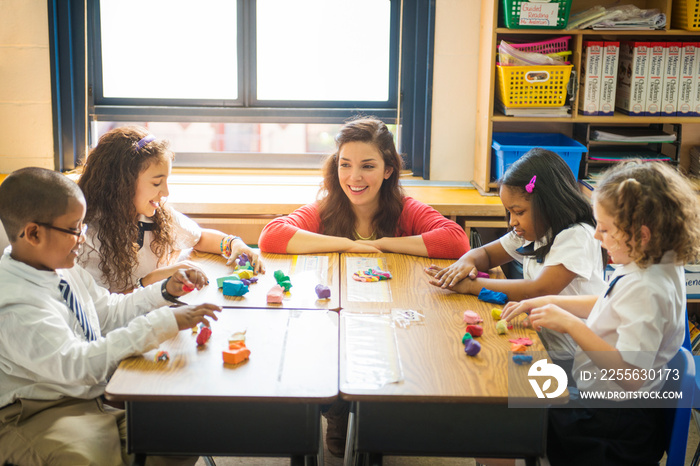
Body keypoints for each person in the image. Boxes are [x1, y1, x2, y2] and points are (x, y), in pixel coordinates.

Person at [0, 167, 222, 465]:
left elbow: (107, 312)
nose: (83, 238)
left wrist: (164, 292)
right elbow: (78, 365)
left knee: (182, 432)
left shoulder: (63, 268)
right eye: (74, 229)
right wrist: (163, 323)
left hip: (90, 395)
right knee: (93, 460)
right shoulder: (15, 305)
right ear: (33, 233)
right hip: (37, 411)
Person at [496, 160, 700, 465]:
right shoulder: (652, 265)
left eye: (604, 229)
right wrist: (547, 303)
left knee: (508, 412)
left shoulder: (650, 288)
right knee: (514, 390)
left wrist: (570, 325)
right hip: (605, 407)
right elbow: (609, 303)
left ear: (641, 235)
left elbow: (631, 376)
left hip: (614, 427)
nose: (596, 237)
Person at [427, 148, 606, 374]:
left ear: (548, 203)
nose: (512, 221)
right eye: (509, 212)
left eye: (518, 211)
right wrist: (466, 261)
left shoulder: (576, 235)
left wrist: (471, 286)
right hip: (547, 344)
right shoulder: (536, 230)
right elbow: (488, 255)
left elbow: (537, 290)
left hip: (575, 359)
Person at [77, 126, 264, 293]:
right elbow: (103, 310)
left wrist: (235, 244)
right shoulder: (89, 236)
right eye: (157, 182)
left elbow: (200, 238)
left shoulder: (155, 216)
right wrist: (154, 279)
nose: (166, 192)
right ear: (121, 184)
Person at [258, 117, 470, 259]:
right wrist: (349, 245)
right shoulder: (325, 208)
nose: (355, 177)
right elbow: (271, 236)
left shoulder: (406, 209)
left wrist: (382, 244)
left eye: (368, 166)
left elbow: (457, 241)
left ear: (388, 170)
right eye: (345, 165)